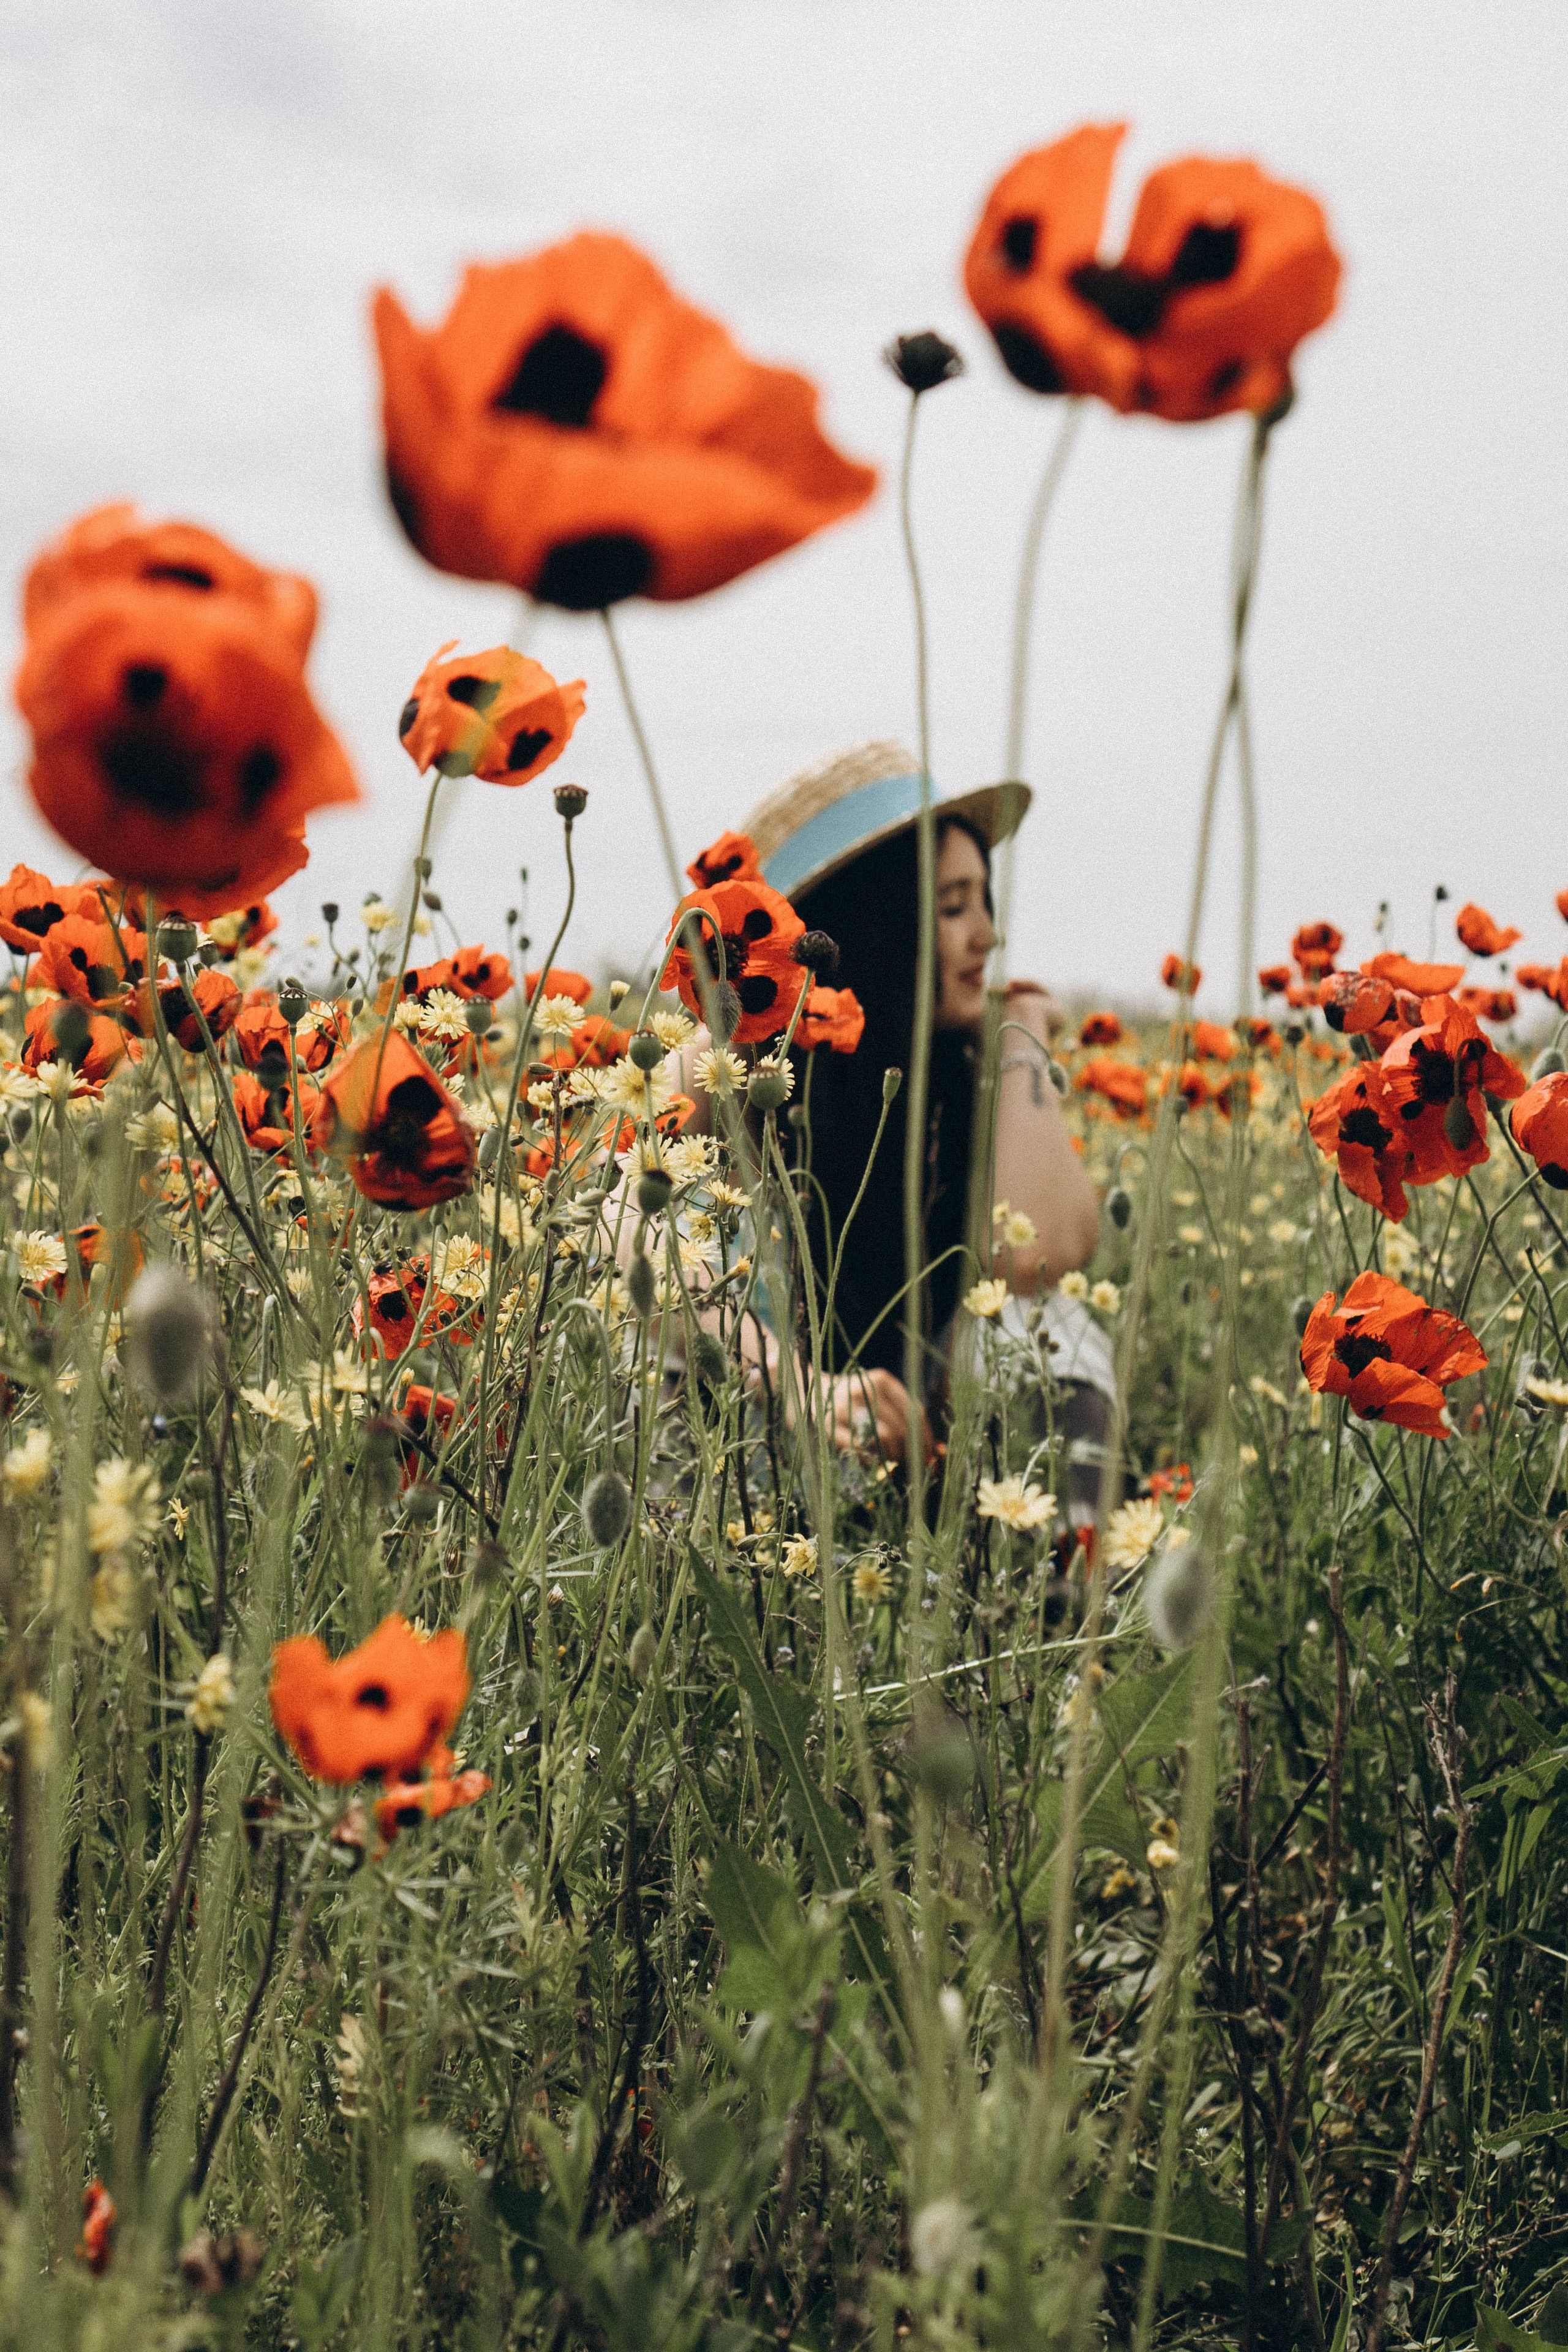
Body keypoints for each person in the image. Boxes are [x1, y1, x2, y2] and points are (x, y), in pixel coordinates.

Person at [671, 740, 1106, 1479]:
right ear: (874, 921)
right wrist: (794, 1385)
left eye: (983, 901)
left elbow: (1037, 1258)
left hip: (927, 1460)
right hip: (754, 1462)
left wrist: (1021, 1036)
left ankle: (1051, 1587)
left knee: (1047, 1328)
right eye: (952, 907)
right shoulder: (730, 1062)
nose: (986, 935)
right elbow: (626, 1247)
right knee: (642, 1351)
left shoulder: (968, 1065)